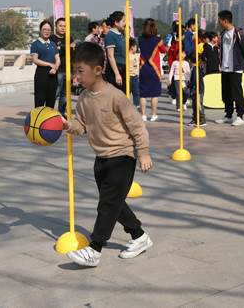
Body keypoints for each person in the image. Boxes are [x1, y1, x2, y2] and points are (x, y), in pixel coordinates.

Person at [63, 42, 153, 267]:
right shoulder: (83, 97)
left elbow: (137, 126)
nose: (77, 76)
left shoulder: (116, 96)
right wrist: (70, 125)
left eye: (80, 71)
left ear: (98, 70)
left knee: (107, 203)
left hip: (123, 156)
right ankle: (139, 236)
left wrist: (143, 153)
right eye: (75, 71)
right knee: (113, 202)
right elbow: (82, 124)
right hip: (100, 157)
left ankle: (95, 249)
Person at [215, 10, 244, 127]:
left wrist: (239, 63)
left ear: (225, 20)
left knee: (236, 92)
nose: (218, 22)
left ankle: (240, 116)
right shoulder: (223, 33)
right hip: (225, 68)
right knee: (226, 93)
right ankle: (228, 115)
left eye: (219, 20)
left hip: (235, 68)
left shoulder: (238, 33)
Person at [138, 18, 167, 122]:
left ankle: (143, 115)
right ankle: (154, 114)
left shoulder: (140, 39)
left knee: (143, 94)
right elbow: (164, 50)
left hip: (142, 68)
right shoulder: (157, 40)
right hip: (154, 69)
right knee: (154, 94)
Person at [30, 20, 60, 108]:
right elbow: (35, 60)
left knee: (51, 101)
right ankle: (39, 121)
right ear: (40, 30)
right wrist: (50, 65)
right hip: (41, 74)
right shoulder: (35, 44)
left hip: (53, 74)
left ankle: (49, 121)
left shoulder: (53, 44)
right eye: (44, 29)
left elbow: (57, 58)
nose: (46, 31)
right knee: (40, 101)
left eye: (48, 30)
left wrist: (55, 67)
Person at [104, 11, 127, 92]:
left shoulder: (121, 34)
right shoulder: (110, 35)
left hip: (123, 68)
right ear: (116, 23)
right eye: (123, 21)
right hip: (115, 69)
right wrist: (117, 74)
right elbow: (110, 56)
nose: (125, 23)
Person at [50, 18, 67, 116]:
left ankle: (61, 114)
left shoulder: (69, 37)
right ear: (56, 26)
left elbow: (73, 50)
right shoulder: (52, 39)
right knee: (55, 92)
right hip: (57, 70)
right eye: (61, 26)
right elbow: (55, 51)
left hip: (68, 69)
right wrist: (65, 47)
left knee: (65, 95)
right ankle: (49, 114)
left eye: (65, 26)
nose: (63, 28)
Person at [188, 58, 206, 127]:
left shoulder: (195, 69)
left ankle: (202, 119)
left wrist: (189, 85)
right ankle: (195, 119)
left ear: (190, 61)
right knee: (194, 105)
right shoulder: (196, 68)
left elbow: (196, 79)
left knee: (199, 104)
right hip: (195, 89)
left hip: (198, 89)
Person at [129, 38, 140, 107]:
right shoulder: (127, 56)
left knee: (136, 92)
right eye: (136, 47)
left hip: (135, 77)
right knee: (128, 92)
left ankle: (136, 105)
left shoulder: (136, 55)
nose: (137, 48)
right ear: (132, 47)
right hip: (129, 77)